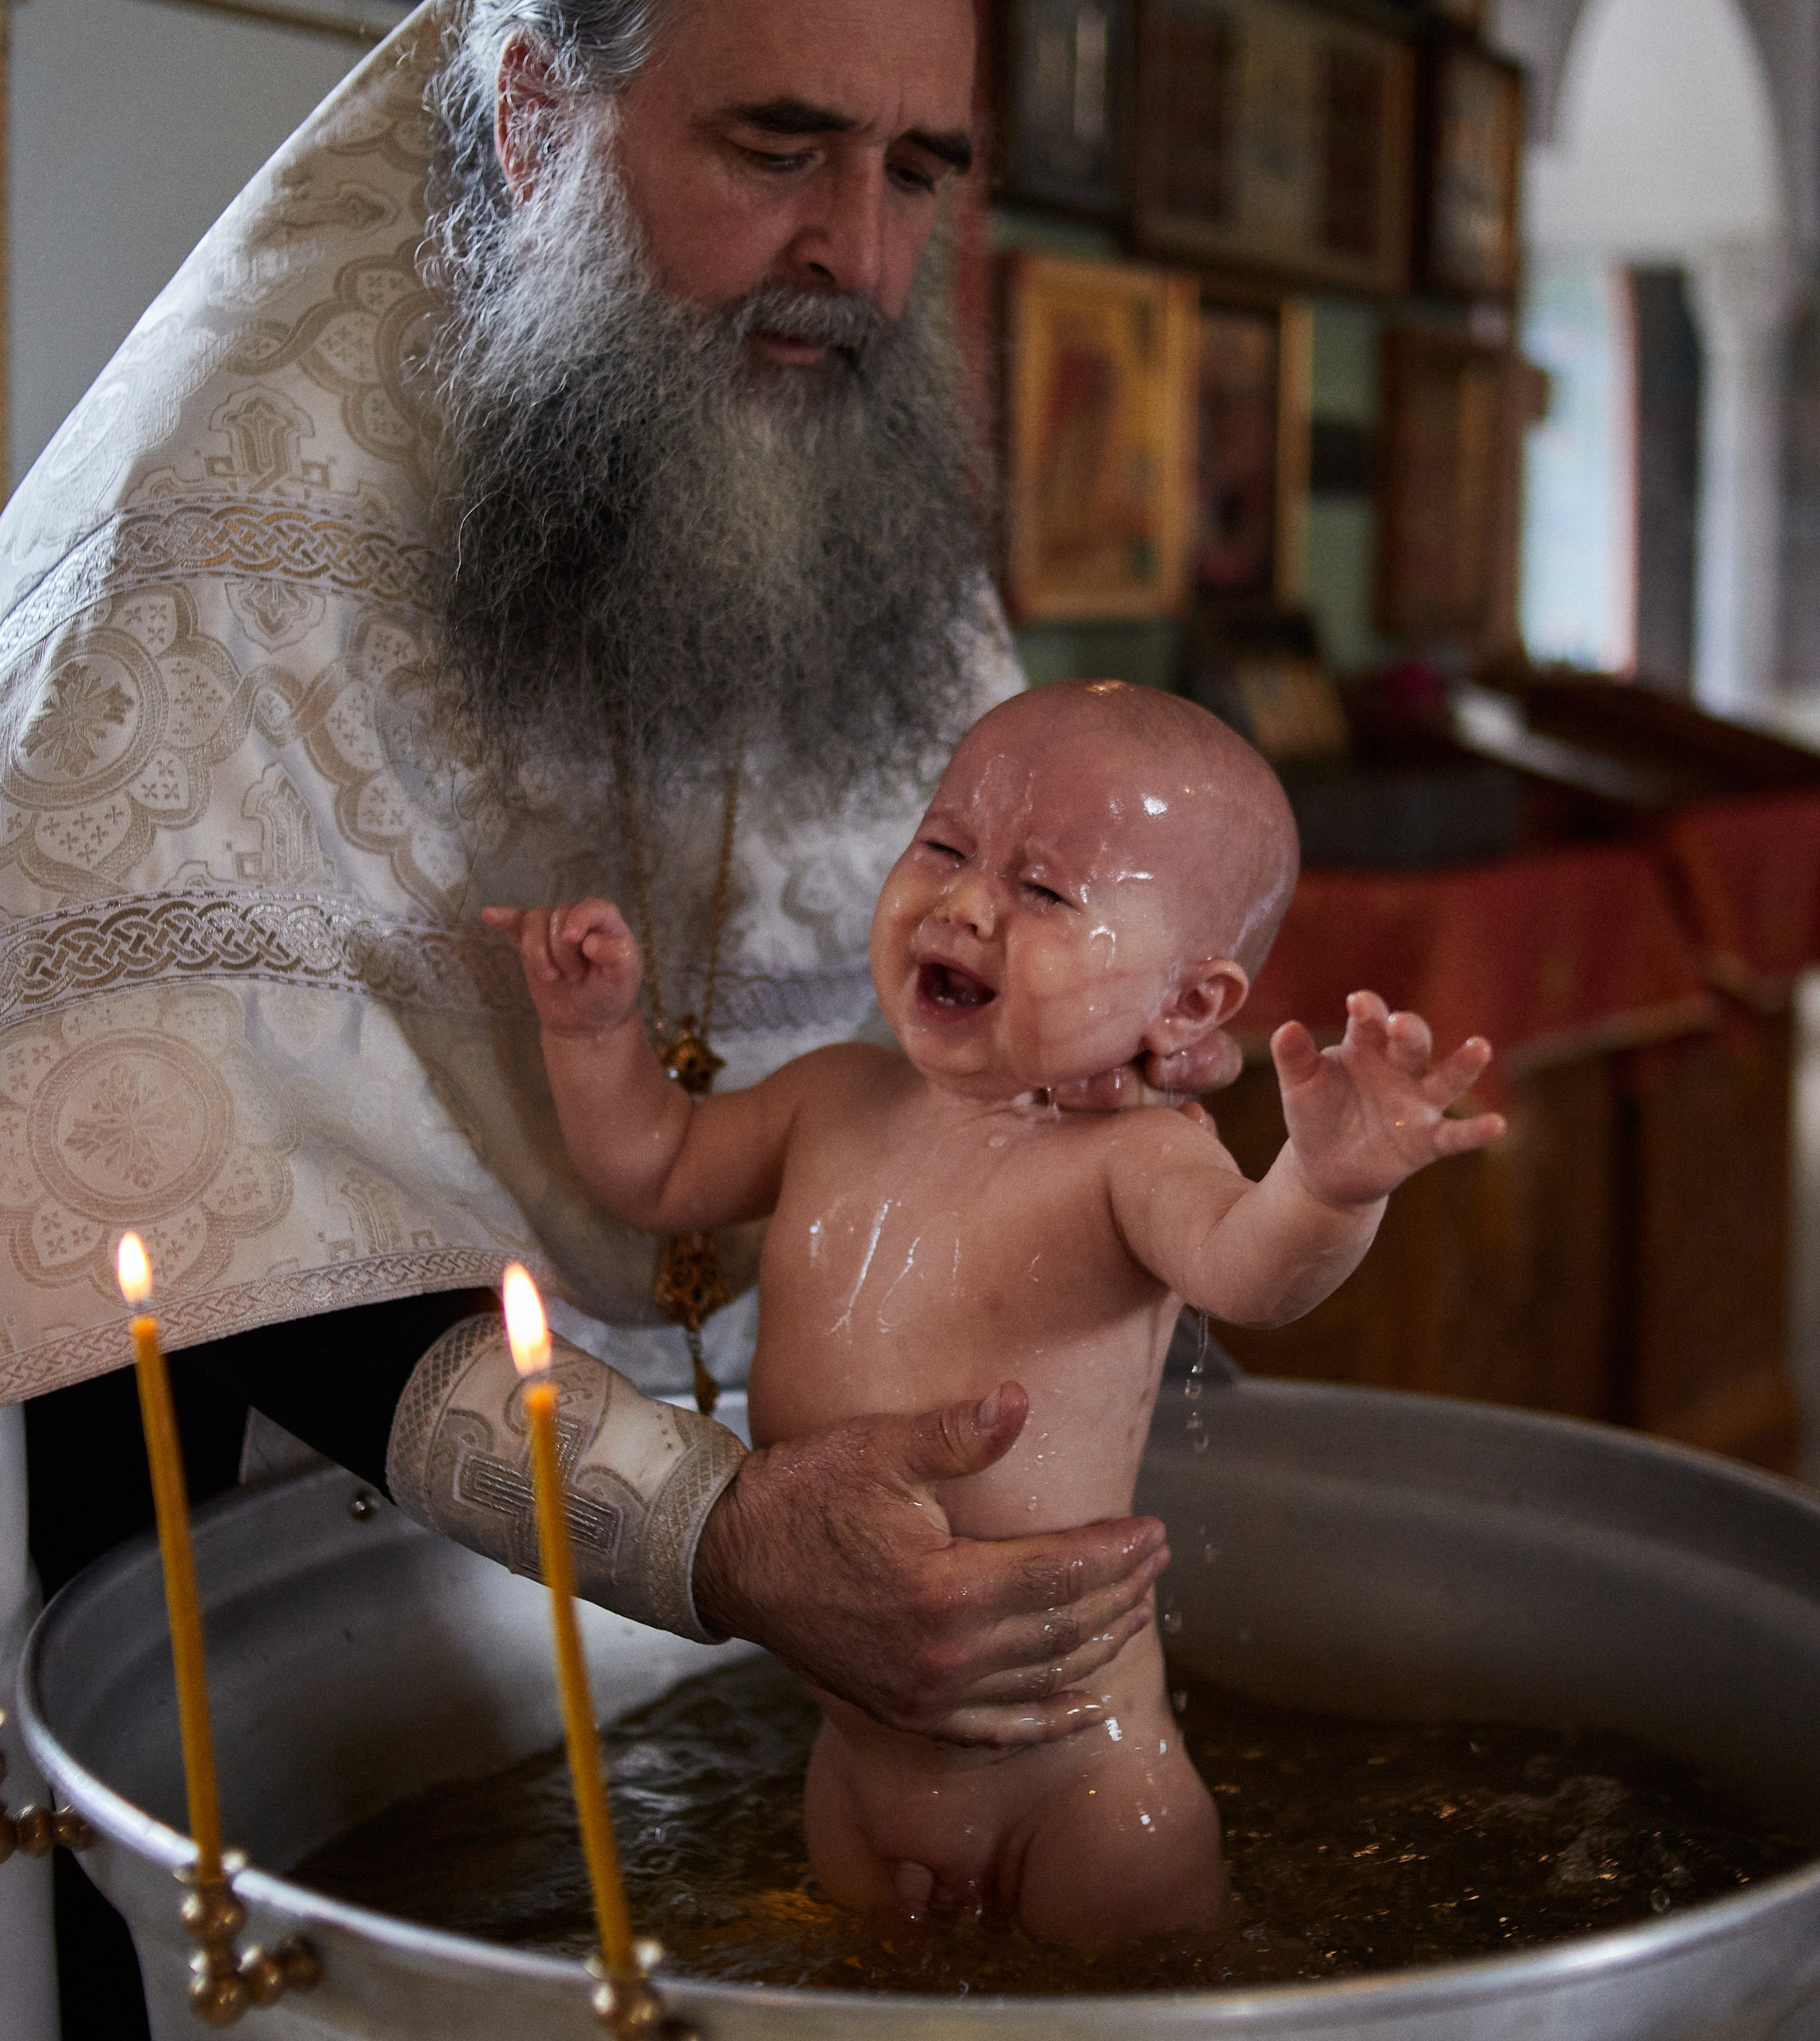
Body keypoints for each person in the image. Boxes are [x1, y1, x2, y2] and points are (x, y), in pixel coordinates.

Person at [0, 0, 1237, 2028]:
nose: (860, 254)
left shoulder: (838, 425)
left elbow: (1014, 1058)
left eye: (919, 171)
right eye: (778, 150)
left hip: (852, 1653)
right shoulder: (210, 535)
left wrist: (1124, 1114)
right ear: (530, 111)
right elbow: (174, 1161)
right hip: (338, 1596)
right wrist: (704, 1522)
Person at [484, 682, 1507, 1942]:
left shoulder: (1136, 1159)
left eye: (1046, 891)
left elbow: (1253, 1272)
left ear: (1188, 1006)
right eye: (945, 847)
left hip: (1082, 1783)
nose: (966, 905)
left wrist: (1331, 1188)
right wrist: (594, 1033)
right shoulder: (830, 1099)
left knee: (1132, 2012)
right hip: (856, 1770)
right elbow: (654, 1170)